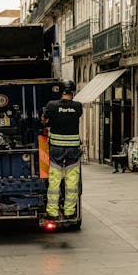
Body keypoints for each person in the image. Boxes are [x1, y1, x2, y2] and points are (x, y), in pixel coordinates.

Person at [42, 80, 83, 220]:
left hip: (56, 149)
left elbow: (45, 120)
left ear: (61, 92)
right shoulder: (78, 107)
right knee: (72, 180)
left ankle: (52, 212)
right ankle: (69, 212)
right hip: (72, 149)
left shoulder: (51, 105)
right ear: (73, 92)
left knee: (54, 180)